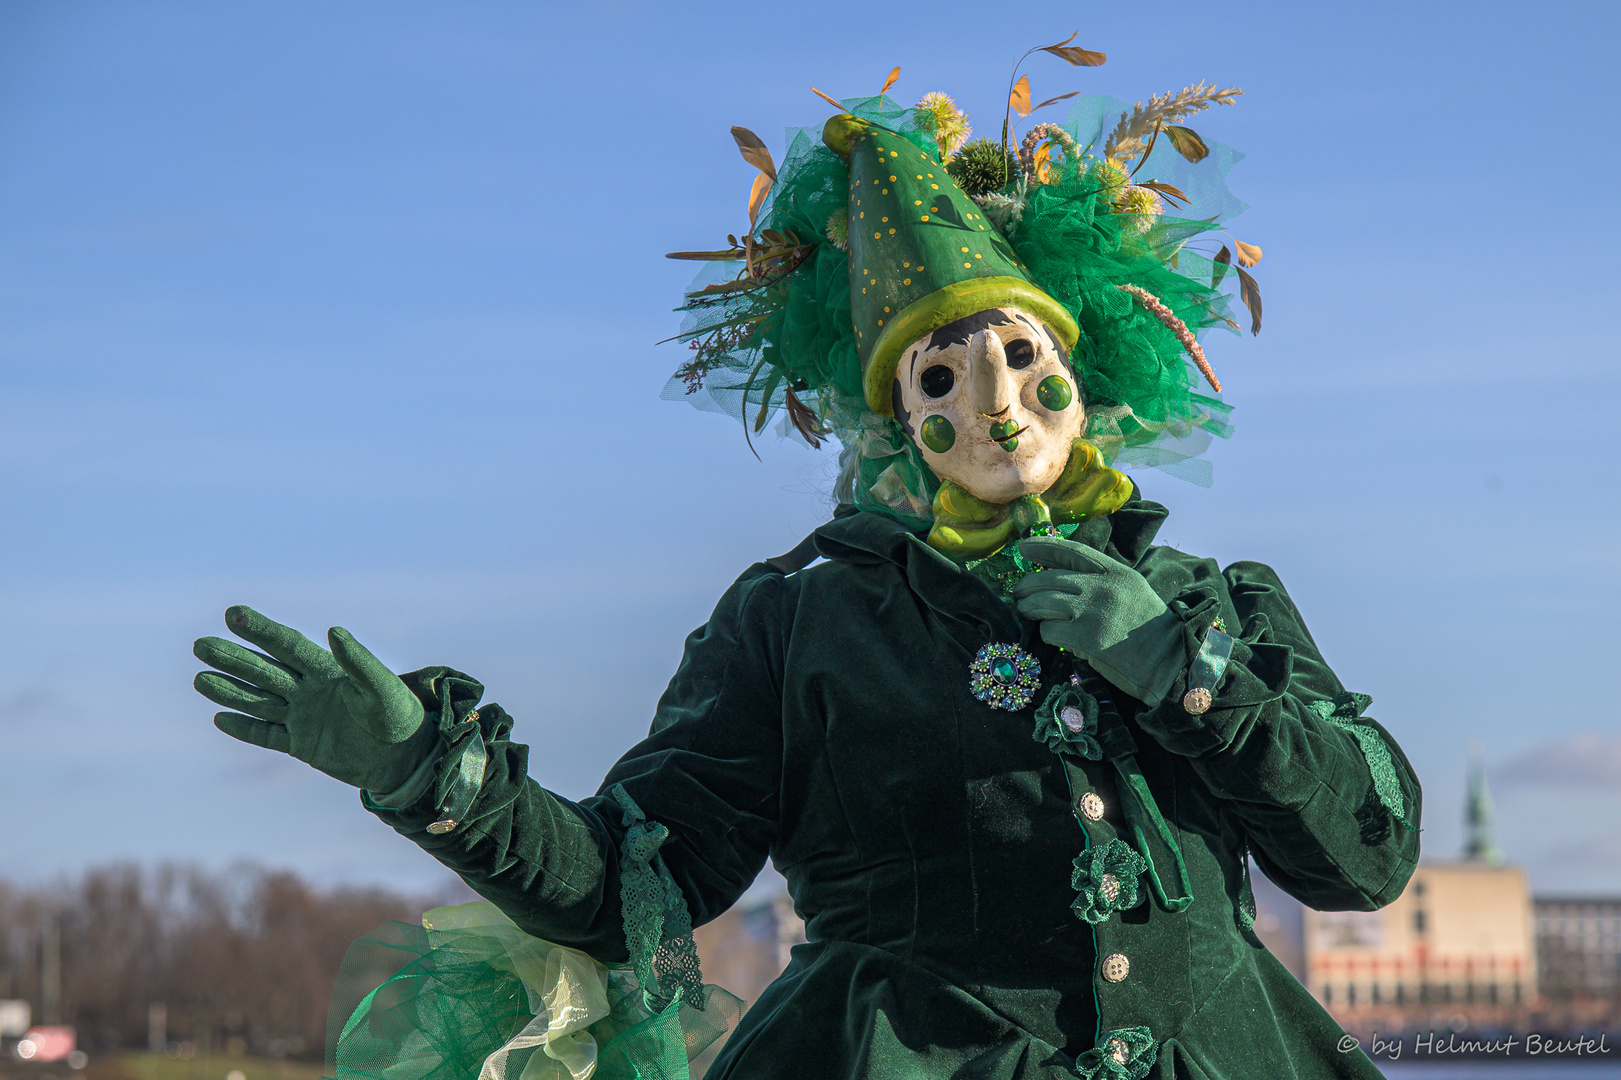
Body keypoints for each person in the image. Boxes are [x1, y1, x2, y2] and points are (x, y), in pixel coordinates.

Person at [194, 73, 1421, 1080]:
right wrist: (429, 773)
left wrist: (1188, 676)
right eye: (939, 378)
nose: (992, 403)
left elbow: (1361, 860)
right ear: (893, 418)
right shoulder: (798, 620)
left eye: (1017, 354)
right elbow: (647, 893)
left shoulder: (1218, 602)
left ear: (1081, 372)